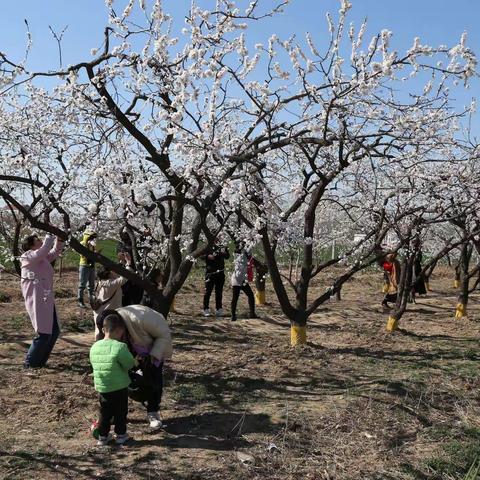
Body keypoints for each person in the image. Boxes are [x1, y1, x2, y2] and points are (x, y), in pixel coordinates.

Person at [97, 305, 172, 428]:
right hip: (133, 349)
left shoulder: (141, 317)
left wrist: (154, 354)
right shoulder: (112, 325)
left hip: (152, 347)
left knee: (154, 378)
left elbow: (163, 334)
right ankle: (115, 414)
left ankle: (153, 411)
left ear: (118, 328)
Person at [89, 314, 136, 446]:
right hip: (119, 387)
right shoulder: (120, 347)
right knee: (120, 412)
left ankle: (103, 437)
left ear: (104, 330)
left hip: (103, 387)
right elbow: (129, 364)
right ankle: (121, 435)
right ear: (120, 331)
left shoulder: (95, 347)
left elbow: (94, 364)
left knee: (105, 413)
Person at [21, 233, 64, 369]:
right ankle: (30, 363)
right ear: (30, 245)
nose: (40, 241)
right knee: (44, 333)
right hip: (36, 298)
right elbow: (45, 249)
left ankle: (40, 361)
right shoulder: (27, 257)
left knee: (54, 331)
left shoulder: (41, 258)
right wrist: (49, 235)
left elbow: (54, 252)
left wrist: (60, 239)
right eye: (37, 240)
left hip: (46, 297)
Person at [92, 252, 133, 340]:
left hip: (98, 311)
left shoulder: (101, 282)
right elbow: (125, 276)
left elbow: (117, 273)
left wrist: (122, 262)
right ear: (110, 273)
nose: (115, 272)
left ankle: (97, 346)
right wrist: (128, 263)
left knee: (98, 330)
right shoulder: (111, 284)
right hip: (107, 313)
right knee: (108, 333)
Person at [230, 244, 257, 322]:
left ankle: (252, 313)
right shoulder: (238, 255)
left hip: (243, 279)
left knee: (250, 295)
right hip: (237, 279)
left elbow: (250, 258)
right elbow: (238, 251)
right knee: (235, 297)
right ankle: (233, 315)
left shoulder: (245, 256)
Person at [202, 241, 230, 317]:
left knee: (219, 292)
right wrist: (208, 256)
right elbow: (201, 255)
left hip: (220, 272)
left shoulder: (223, 246)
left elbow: (227, 256)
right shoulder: (208, 245)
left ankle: (219, 309)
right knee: (208, 291)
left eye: (219, 236)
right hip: (210, 273)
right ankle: (205, 309)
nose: (218, 238)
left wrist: (221, 253)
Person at [78, 230, 99, 308]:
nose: (93, 239)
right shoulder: (82, 244)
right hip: (84, 265)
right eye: (91, 237)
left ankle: (91, 300)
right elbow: (82, 254)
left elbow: (93, 253)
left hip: (91, 265)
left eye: (93, 238)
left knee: (91, 285)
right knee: (82, 284)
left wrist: (96, 252)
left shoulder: (92, 245)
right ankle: (80, 300)